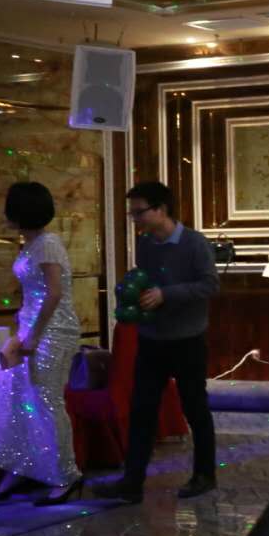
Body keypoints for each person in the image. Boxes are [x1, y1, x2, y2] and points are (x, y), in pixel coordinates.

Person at [95, 182, 219, 503]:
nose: (135, 219)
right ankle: (132, 482)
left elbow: (209, 285)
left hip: (188, 339)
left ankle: (204, 475)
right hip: (152, 339)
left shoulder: (194, 243)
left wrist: (167, 294)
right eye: (132, 213)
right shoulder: (146, 244)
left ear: (161, 209)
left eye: (139, 212)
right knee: (142, 409)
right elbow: (146, 280)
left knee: (195, 407)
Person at [0, 182, 84, 506]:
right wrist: (21, 333)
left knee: (47, 402)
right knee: (20, 399)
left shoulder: (48, 244)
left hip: (53, 332)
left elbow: (54, 293)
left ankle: (67, 474)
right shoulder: (32, 244)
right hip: (32, 329)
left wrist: (32, 335)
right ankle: (24, 467)